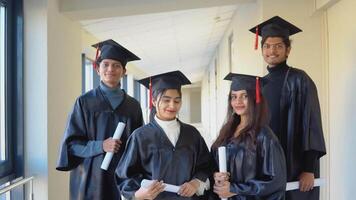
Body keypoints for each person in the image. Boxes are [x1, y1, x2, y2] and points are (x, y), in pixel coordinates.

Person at [249, 16, 326, 200]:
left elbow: (311, 124)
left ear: (288, 50)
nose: (272, 51)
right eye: (267, 46)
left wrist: (308, 168)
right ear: (262, 50)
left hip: (296, 162)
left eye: (278, 46)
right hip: (268, 164)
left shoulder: (300, 79)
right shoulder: (259, 84)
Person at [56, 39, 144, 200]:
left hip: (123, 180)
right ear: (97, 69)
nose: (111, 69)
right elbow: (71, 146)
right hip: (90, 180)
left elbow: (140, 147)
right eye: (106, 64)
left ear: (124, 71)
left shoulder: (133, 106)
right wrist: (101, 145)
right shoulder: (84, 102)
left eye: (116, 65)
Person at [117, 70, 212, 200]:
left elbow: (206, 166)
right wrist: (139, 194)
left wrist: (196, 183)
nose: (172, 106)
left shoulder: (192, 134)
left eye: (177, 101)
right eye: (166, 100)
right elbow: (125, 176)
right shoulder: (140, 136)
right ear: (154, 101)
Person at [209, 73, 287, 200]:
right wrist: (215, 175)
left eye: (244, 96)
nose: (238, 101)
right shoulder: (227, 131)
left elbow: (276, 181)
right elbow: (212, 161)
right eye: (234, 97)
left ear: (255, 98)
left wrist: (235, 189)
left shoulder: (265, 136)